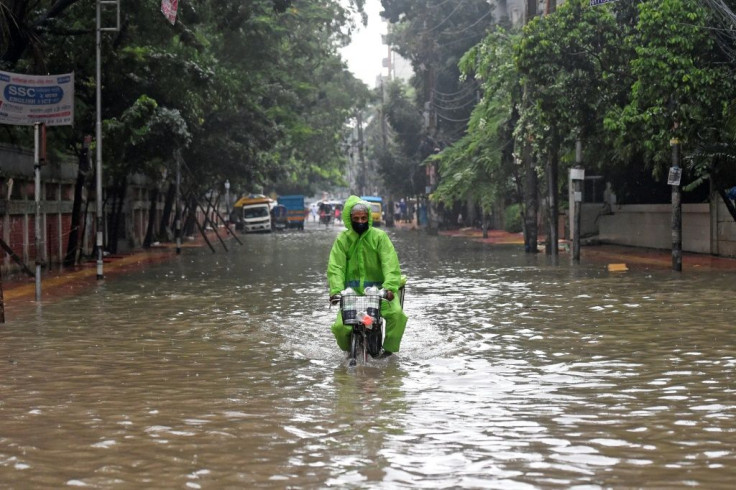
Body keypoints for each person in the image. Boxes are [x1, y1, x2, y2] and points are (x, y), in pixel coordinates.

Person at [327, 195, 408, 357]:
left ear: (369, 217)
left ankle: (389, 351)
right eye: (356, 218)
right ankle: (349, 351)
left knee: (397, 316)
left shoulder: (379, 237)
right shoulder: (342, 240)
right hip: (353, 295)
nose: (360, 221)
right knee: (340, 327)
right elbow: (336, 267)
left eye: (364, 218)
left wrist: (390, 288)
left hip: (378, 294)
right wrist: (336, 291)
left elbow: (390, 264)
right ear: (349, 219)